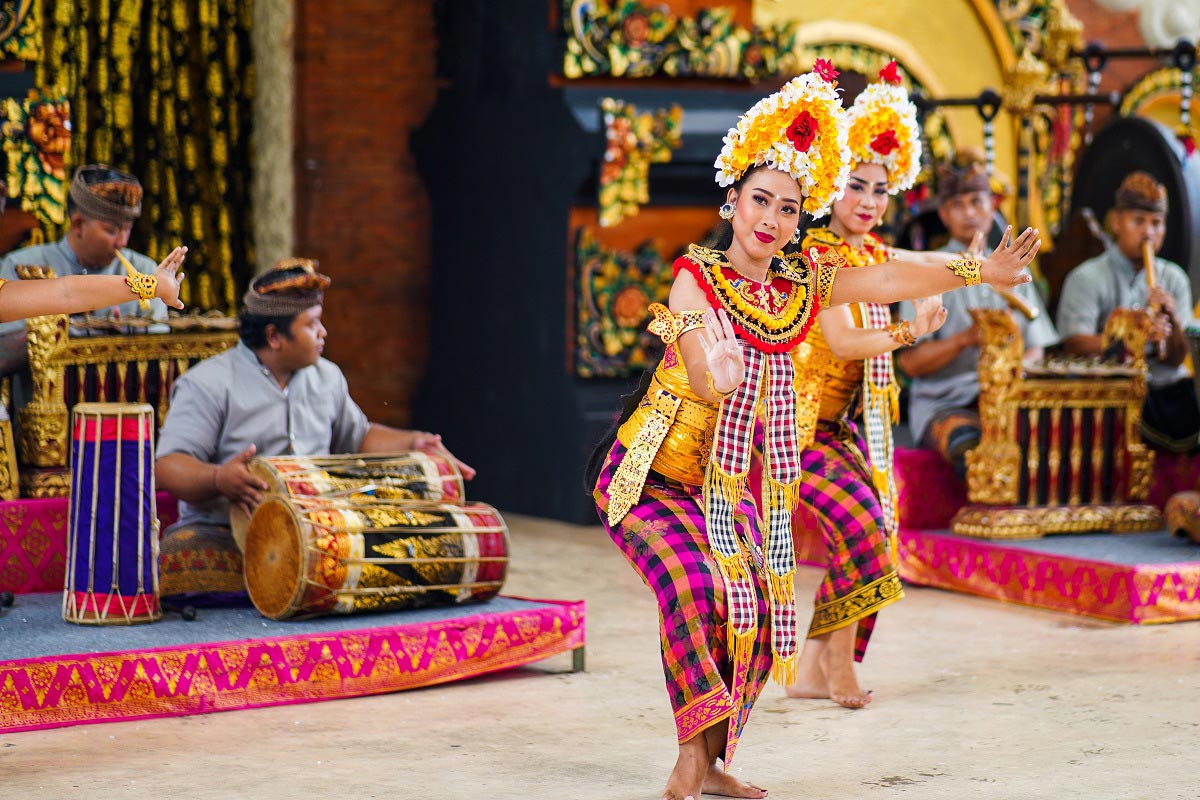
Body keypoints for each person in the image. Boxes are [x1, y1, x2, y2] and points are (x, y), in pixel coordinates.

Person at [589, 61, 1041, 800]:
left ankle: (713, 762)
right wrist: (718, 370)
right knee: (695, 585)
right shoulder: (693, 275)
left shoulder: (800, 282)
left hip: (721, 489)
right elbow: (697, 355)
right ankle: (688, 759)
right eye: (760, 201)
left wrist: (977, 270)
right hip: (647, 478)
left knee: (764, 610)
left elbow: (891, 275)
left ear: (801, 221)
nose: (772, 219)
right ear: (733, 201)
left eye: (790, 209)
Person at [155, 257, 474, 600]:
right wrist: (220, 479)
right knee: (181, 554)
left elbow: (359, 436)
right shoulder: (209, 384)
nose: (324, 333)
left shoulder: (327, 377)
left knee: (408, 545)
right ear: (275, 337)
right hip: (227, 532)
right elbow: (168, 466)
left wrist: (415, 442)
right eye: (312, 325)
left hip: (320, 532)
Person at [787, 62, 948, 710]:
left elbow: (925, 264)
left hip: (840, 431)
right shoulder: (820, 255)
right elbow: (845, 342)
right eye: (857, 185)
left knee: (876, 528)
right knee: (861, 533)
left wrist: (980, 269)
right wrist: (911, 334)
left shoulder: (873, 254)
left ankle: (815, 666)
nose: (869, 200)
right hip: (792, 428)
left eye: (881, 190)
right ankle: (837, 665)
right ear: (830, 188)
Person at [897, 152, 1058, 479]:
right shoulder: (927, 271)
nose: (969, 212)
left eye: (976, 201)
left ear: (993, 205)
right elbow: (909, 364)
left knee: (1055, 439)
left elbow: (1037, 346)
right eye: (957, 205)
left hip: (1007, 400)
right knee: (970, 445)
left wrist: (1014, 372)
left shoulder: (1013, 269)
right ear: (943, 213)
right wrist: (964, 340)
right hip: (946, 403)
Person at [1056, 171, 1198, 452]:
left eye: (1157, 223)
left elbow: (1176, 358)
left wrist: (1172, 320)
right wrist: (1135, 338)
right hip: (1111, 389)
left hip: (1165, 388)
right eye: (1138, 221)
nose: (1149, 232)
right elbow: (1074, 343)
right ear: (1116, 222)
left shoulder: (1174, 278)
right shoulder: (1086, 277)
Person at [0, 165, 169, 374]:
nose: (122, 242)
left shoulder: (145, 271)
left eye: (128, 229)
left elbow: (160, 353)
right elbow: (3, 355)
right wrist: (67, 328)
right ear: (78, 224)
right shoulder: (21, 267)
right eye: (112, 230)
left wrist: (125, 340)